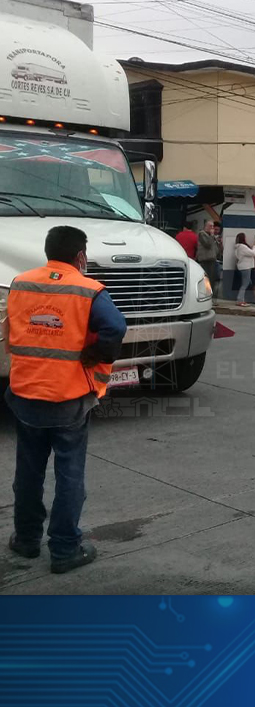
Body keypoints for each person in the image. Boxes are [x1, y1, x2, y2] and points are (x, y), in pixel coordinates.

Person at [2, 226, 127, 575]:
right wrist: (95, 352)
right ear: (81, 256)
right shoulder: (88, 290)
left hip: (26, 395)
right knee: (69, 474)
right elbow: (116, 327)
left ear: (48, 252)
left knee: (28, 472)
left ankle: (26, 540)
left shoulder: (21, 284)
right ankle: (65, 549)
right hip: (69, 398)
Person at [196, 220, 219, 293]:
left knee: (212, 279)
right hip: (206, 260)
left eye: (213, 226)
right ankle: (206, 293)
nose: (212, 228)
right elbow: (208, 244)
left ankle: (211, 295)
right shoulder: (202, 234)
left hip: (212, 259)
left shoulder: (210, 236)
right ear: (206, 226)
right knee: (207, 279)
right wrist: (212, 236)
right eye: (211, 226)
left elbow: (215, 247)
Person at [234, 232, 255, 306]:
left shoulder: (238, 247)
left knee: (245, 283)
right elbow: (253, 253)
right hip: (245, 267)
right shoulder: (242, 247)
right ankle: (240, 300)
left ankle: (241, 299)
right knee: (245, 284)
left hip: (242, 267)